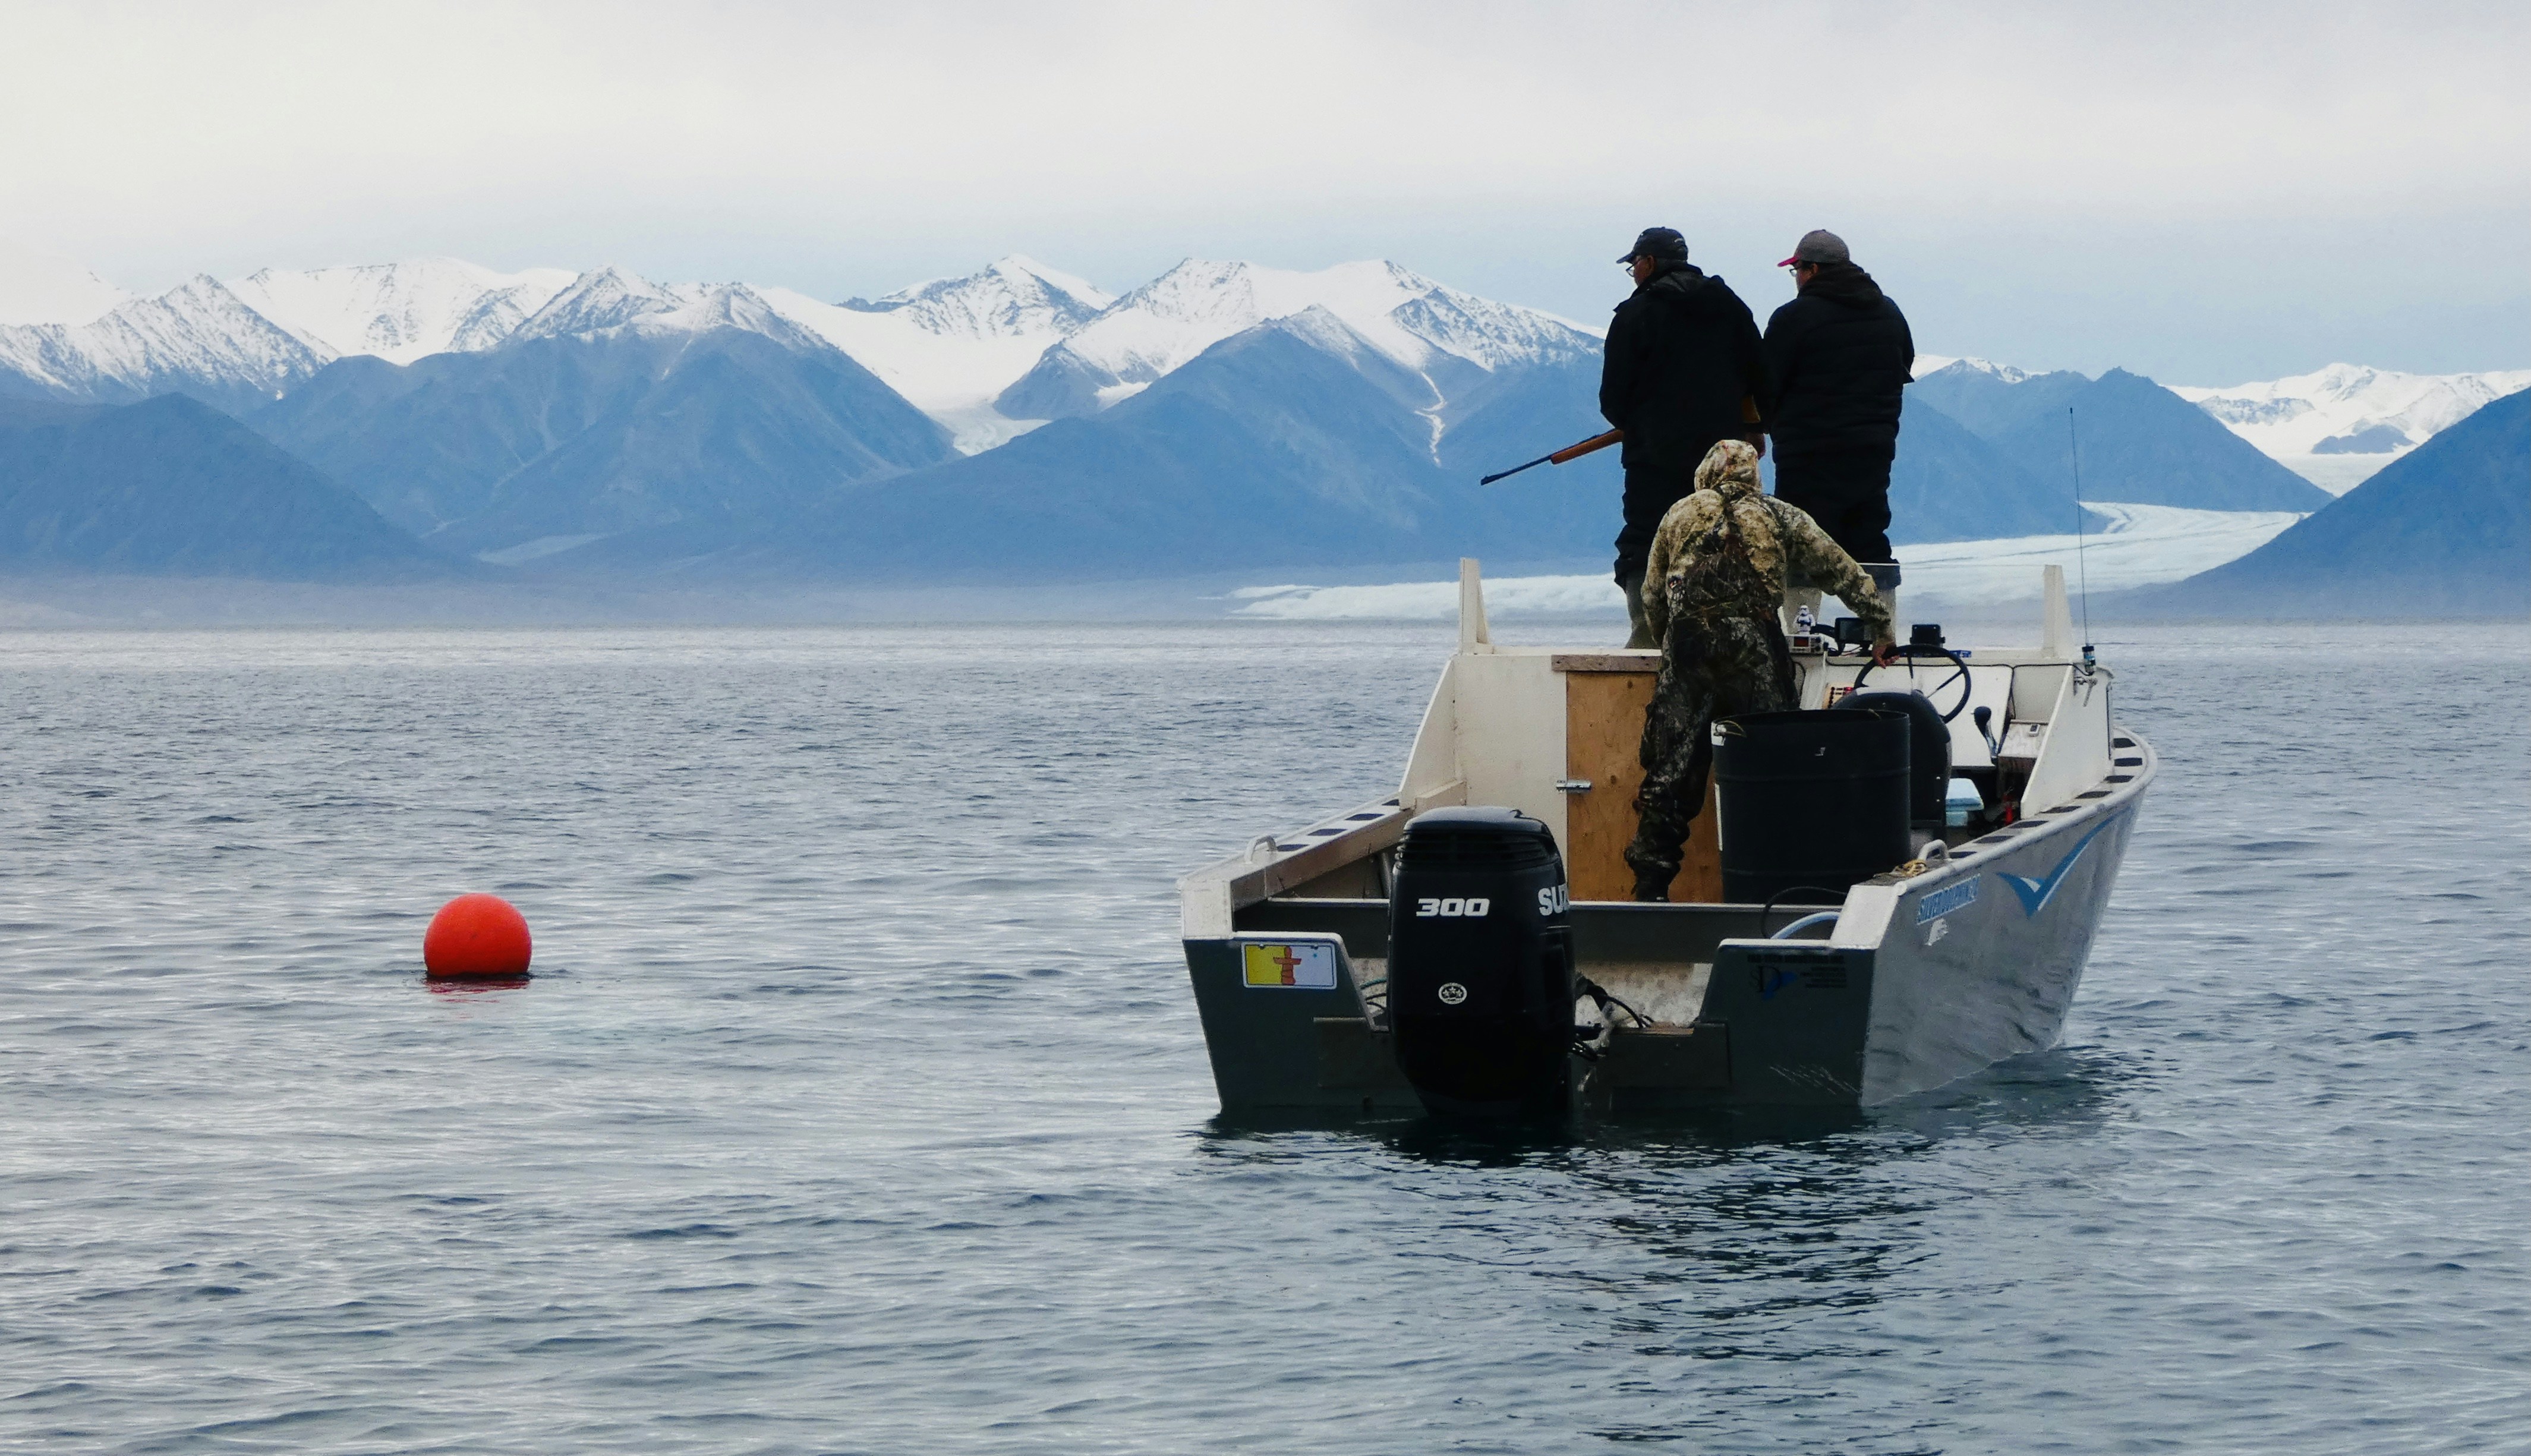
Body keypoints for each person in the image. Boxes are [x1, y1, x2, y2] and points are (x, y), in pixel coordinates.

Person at [1625, 439, 1896, 902]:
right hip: (1755, 652)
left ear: (1705, 471)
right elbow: (1841, 569)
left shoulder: (1678, 514)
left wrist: (1674, 641)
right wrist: (1880, 626)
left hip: (1689, 653)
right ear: (1754, 473)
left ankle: (1650, 889)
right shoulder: (1779, 515)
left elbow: (1653, 595)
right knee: (1774, 770)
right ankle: (1780, 887)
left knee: (1670, 774)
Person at [1599, 226, 1774, 649]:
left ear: (1650, 263)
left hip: (1653, 455)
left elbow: (1613, 397)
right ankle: (1723, 635)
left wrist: (1637, 423)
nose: (1633, 273)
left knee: (1645, 538)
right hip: (1722, 457)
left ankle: (1647, 636)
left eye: (1634, 265)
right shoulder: (1730, 307)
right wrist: (1751, 431)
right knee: (1724, 536)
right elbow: (1760, 376)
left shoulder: (1636, 314)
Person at [1761, 229, 1914, 631]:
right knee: (1869, 538)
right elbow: (1904, 366)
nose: (1795, 278)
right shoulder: (1888, 312)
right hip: (1872, 448)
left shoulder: (1793, 318)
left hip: (1806, 453)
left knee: (1800, 543)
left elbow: (1765, 384)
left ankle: (1800, 637)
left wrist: (1763, 426)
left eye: (1796, 270)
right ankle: (1882, 634)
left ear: (1811, 270)